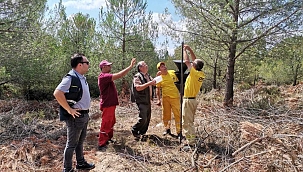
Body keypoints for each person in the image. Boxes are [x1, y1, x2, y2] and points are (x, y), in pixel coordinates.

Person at [53, 53, 95, 172]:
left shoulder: (81, 77)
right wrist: (69, 109)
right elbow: (57, 93)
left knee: (80, 142)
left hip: (84, 115)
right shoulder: (70, 78)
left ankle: (80, 163)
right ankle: (67, 169)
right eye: (87, 63)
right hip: (76, 117)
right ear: (80, 65)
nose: (89, 65)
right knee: (71, 144)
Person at [98, 58, 136, 150]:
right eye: (108, 65)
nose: (110, 66)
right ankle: (101, 143)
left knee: (111, 121)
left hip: (110, 104)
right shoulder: (103, 76)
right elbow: (120, 75)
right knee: (106, 123)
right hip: (107, 104)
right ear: (103, 67)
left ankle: (108, 138)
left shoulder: (106, 76)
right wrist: (130, 66)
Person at [182, 45, 205, 145]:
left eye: (193, 64)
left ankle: (191, 142)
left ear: (194, 66)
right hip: (193, 100)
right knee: (190, 121)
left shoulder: (194, 73)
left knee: (186, 122)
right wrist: (190, 49)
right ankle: (191, 139)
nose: (191, 63)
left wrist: (184, 50)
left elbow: (187, 61)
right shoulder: (200, 73)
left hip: (188, 100)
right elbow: (195, 61)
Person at [156, 62, 182, 138]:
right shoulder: (159, 77)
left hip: (175, 97)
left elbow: (180, 80)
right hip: (165, 98)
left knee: (177, 114)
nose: (164, 67)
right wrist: (158, 99)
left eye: (164, 65)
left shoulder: (172, 72)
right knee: (166, 114)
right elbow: (157, 89)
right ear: (159, 69)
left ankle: (179, 132)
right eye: (162, 66)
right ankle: (167, 129)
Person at [131, 61, 156, 140]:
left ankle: (142, 133)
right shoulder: (137, 76)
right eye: (144, 65)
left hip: (148, 100)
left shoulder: (147, 76)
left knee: (148, 117)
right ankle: (135, 130)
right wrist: (149, 83)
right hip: (141, 100)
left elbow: (153, 83)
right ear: (140, 68)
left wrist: (155, 81)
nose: (146, 66)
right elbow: (138, 87)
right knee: (143, 118)